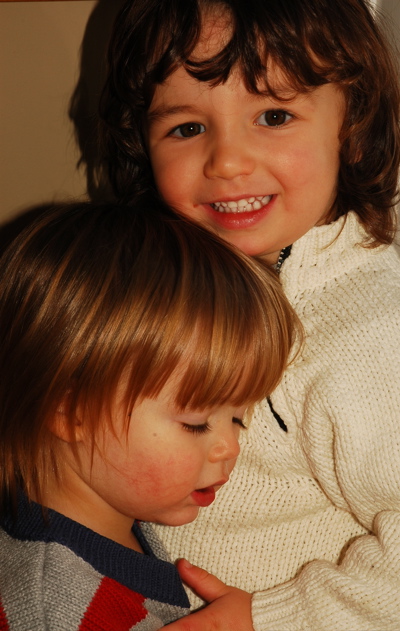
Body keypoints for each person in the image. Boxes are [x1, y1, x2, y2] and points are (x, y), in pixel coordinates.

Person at [99, 0, 400, 629]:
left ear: (351, 128)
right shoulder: (177, 271)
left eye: (274, 116)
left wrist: (271, 618)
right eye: (187, 128)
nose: (226, 161)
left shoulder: (370, 335)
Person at [0, 201, 297, 631]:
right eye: (196, 422)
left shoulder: (110, 518)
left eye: (238, 417)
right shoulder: (58, 608)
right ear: (72, 412)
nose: (230, 447)